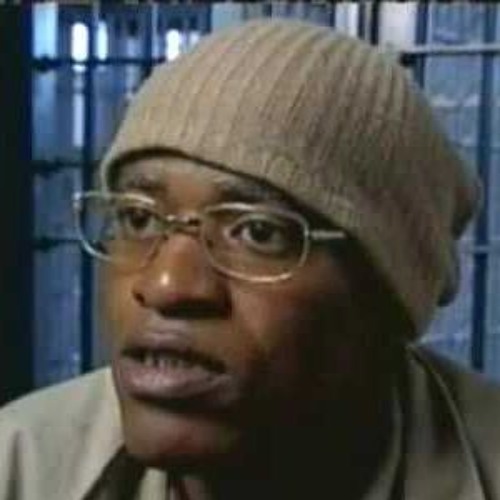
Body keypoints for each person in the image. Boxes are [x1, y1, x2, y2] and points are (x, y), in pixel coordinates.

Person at [1, 19, 499, 500]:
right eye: (138, 218)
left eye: (258, 232)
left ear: (385, 298)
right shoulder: (19, 467)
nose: (166, 283)